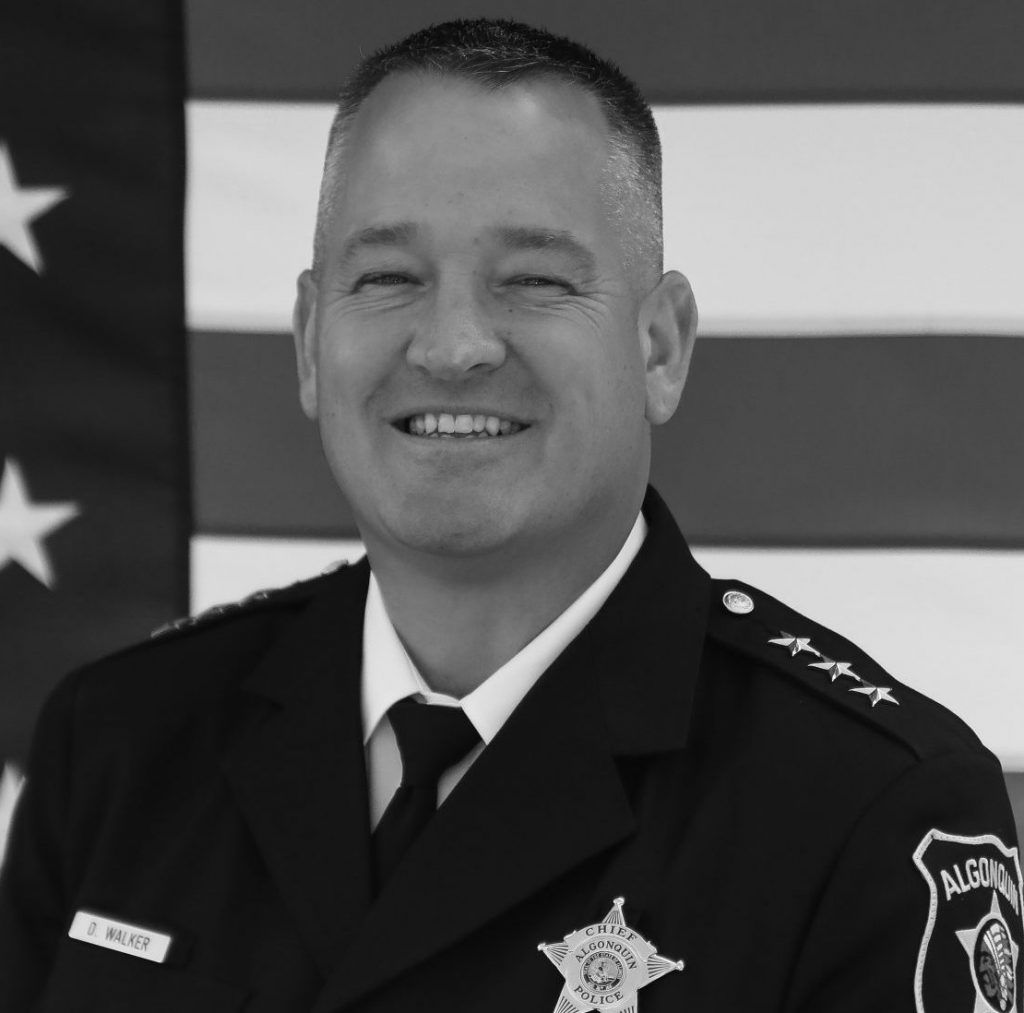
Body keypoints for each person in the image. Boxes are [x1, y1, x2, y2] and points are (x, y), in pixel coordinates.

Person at [1, 18, 1020, 1013]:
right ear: (311, 342)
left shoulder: (862, 808)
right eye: (389, 276)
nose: (451, 345)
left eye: (532, 279)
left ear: (660, 346)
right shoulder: (125, 741)